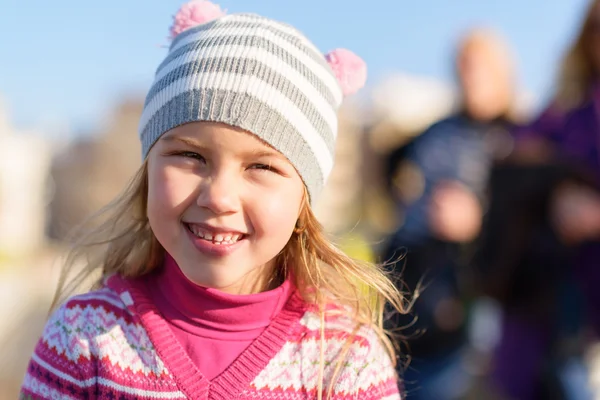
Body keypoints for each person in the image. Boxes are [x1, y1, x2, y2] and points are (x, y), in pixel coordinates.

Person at [19, 2, 406, 399]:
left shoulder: (344, 362)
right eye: (191, 156)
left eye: (261, 167)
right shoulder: (83, 337)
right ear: (149, 169)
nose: (219, 197)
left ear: (303, 200)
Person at [381, 28, 520, 400]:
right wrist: (402, 204)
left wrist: (477, 222)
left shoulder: (520, 137)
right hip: (407, 289)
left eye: (479, 67)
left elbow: (530, 224)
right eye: (462, 67)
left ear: (502, 71)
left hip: (469, 304)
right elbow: (385, 161)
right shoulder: (437, 132)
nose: (469, 76)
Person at [495, 0, 600, 398]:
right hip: (549, 299)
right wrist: (554, 189)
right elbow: (518, 159)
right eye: (595, 27)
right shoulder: (566, 110)